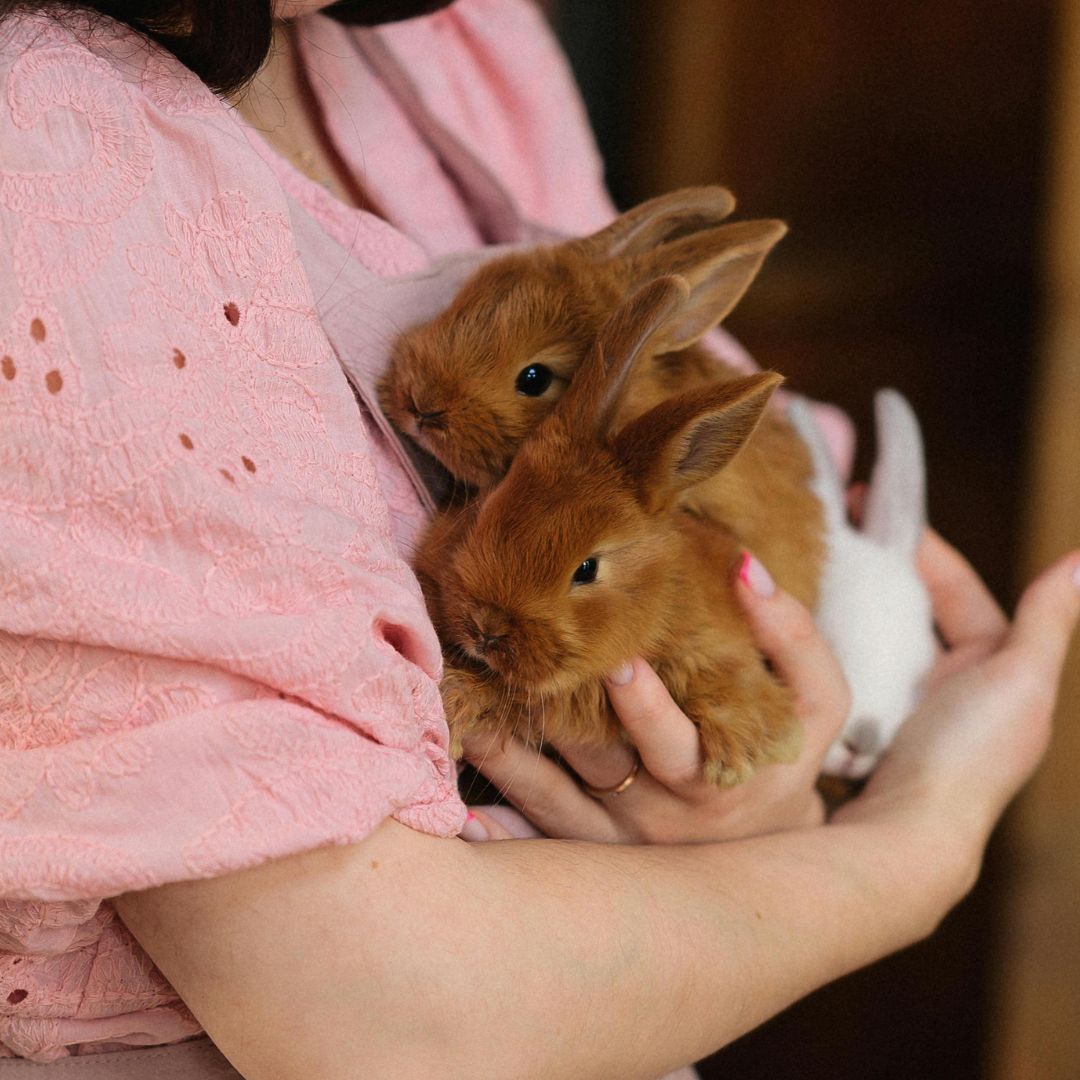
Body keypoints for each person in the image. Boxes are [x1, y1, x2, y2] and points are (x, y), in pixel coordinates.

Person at [0, 1, 1077, 1077]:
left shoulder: (454, 29)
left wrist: (763, 793)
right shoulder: (46, 143)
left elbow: (689, 467)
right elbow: (379, 1011)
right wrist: (914, 852)